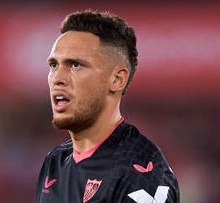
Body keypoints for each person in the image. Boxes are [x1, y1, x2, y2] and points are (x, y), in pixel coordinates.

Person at [36, 10, 179, 203]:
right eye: (54, 65)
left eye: (75, 65)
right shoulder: (54, 163)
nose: (58, 79)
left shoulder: (139, 174)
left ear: (117, 79)